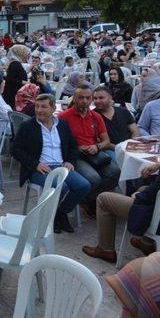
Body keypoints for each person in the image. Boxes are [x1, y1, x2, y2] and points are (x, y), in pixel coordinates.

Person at [12, 94, 91, 233]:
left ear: (53, 108)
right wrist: (35, 164)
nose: (39, 110)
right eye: (37, 106)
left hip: (61, 166)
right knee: (62, 186)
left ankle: (59, 213)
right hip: (40, 169)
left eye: (43, 107)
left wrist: (70, 161)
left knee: (83, 186)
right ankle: (56, 216)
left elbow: (73, 145)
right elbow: (15, 149)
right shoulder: (28, 126)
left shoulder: (62, 125)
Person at [59, 85, 121, 217]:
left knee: (116, 173)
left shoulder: (95, 116)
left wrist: (97, 147)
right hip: (75, 155)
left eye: (88, 98)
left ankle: (88, 199)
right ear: (74, 98)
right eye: (80, 97)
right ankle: (89, 200)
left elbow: (106, 141)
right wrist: (78, 148)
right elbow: (59, 143)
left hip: (95, 153)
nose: (84, 101)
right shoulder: (63, 117)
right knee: (93, 178)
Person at [82, 163, 160, 263]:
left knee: (103, 199)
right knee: (142, 187)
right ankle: (146, 243)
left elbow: (152, 193)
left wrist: (140, 196)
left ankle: (105, 250)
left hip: (155, 214)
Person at [93, 86, 139, 156]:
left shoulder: (123, 111)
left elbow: (135, 131)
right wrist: (120, 148)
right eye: (95, 98)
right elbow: (100, 141)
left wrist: (131, 146)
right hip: (109, 150)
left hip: (130, 147)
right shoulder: (92, 116)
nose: (97, 101)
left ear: (110, 98)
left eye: (101, 98)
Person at [3, 45, 30, 109]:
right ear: (20, 53)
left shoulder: (15, 62)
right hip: (13, 94)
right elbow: (10, 79)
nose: (26, 56)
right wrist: (23, 82)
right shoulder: (15, 63)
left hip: (13, 92)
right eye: (25, 53)